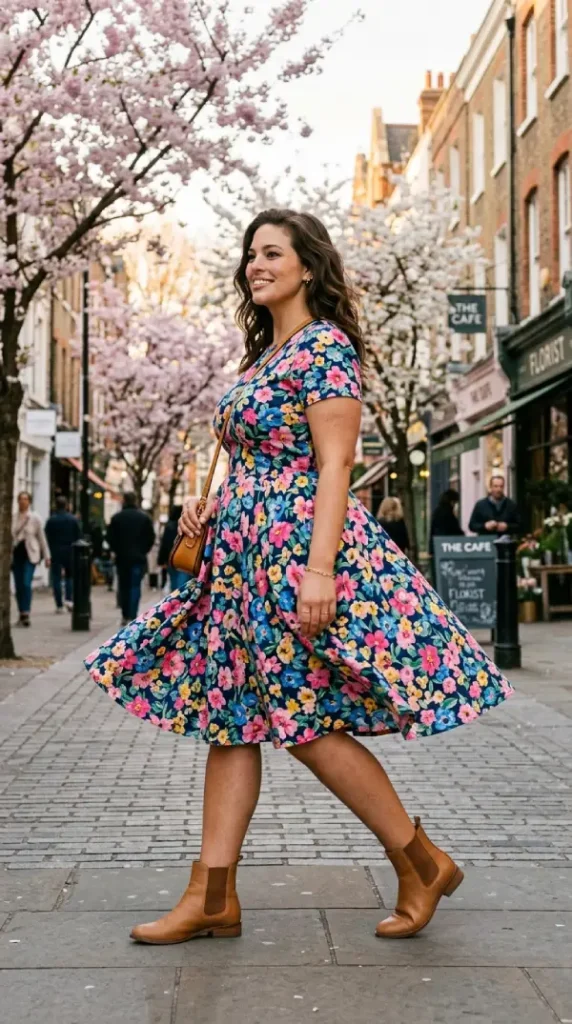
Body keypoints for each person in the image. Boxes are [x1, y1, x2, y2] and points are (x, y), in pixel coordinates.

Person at [85, 208, 513, 946]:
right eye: (250, 254)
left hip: (293, 560)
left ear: (308, 266)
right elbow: (256, 460)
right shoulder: (264, 357)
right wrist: (209, 507)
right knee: (231, 718)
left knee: (306, 722)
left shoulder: (325, 348)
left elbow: (335, 466)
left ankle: (421, 861)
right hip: (237, 564)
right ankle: (212, 896)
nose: (255, 264)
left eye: (272, 253)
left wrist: (320, 573)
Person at [106, 493, 155, 624]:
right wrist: (143, 551)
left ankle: (125, 614)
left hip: (122, 558)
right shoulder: (144, 518)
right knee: (135, 586)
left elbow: (110, 538)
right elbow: (150, 538)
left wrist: (117, 550)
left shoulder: (117, 518)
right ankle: (132, 615)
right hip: (138, 557)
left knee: (123, 586)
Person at [11, 491, 50, 627]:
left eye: (26, 499)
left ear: (29, 501)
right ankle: (21, 612)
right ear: (17, 501)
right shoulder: (13, 517)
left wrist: (47, 557)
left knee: (26, 583)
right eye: (21, 499)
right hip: (16, 554)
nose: (23, 501)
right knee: (18, 585)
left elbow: (42, 538)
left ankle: (26, 612)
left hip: (30, 554)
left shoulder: (35, 518)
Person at [45, 496, 81, 613]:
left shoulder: (51, 520)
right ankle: (69, 600)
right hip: (70, 550)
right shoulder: (73, 519)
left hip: (55, 551)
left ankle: (59, 605)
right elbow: (78, 536)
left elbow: (47, 536)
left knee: (56, 578)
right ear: (66, 505)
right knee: (69, 577)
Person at [158, 505, 191, 592]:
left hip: (171, 558)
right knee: (181, 585)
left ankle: (174, 598)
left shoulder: (169, 526)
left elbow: (164, 544)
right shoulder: (187, 526)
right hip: (184, 559)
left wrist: (162, 560)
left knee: (173, 583)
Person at [429, 488, 464, 555]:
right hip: (447, 546)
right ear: (452, 502)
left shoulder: (438, 511)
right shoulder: (448, 514)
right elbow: (454, 530)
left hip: (438, 546)